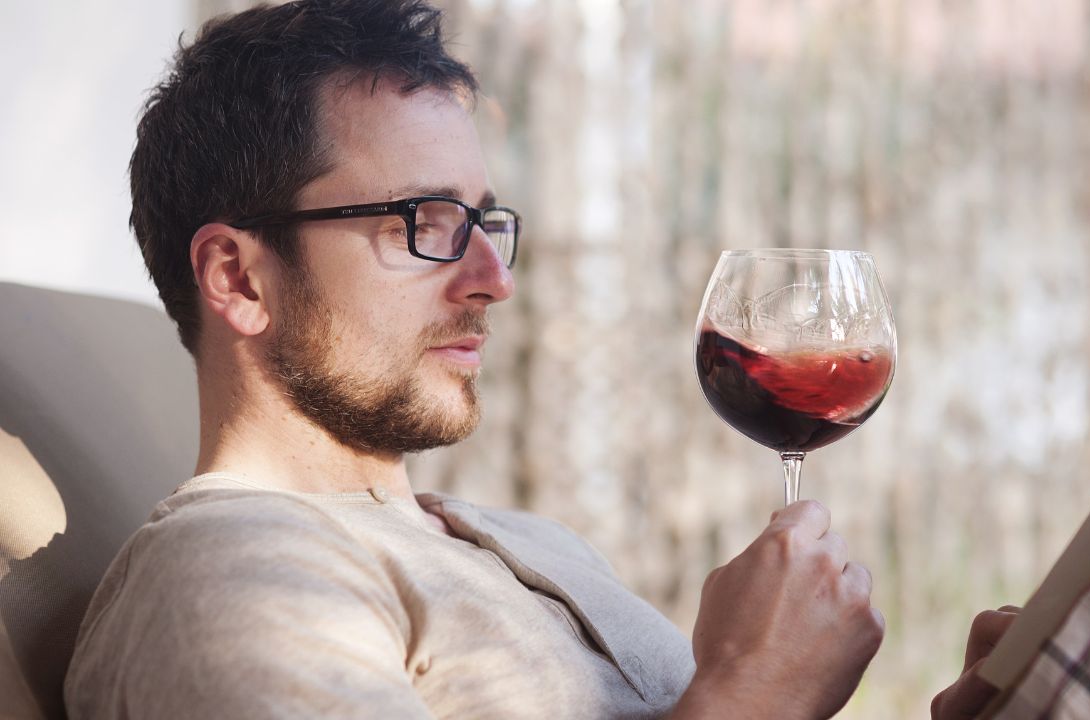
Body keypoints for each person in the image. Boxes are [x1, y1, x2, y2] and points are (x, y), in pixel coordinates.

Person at [64, 1, 901, 717]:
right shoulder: (235, 574)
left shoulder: (530, 542)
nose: (494, 280)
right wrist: (755, 693)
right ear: (239, 277)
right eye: (426, 222)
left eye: (483, 221)